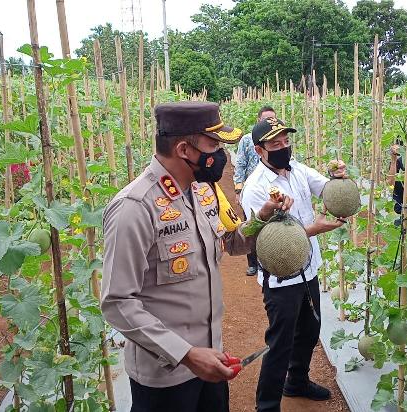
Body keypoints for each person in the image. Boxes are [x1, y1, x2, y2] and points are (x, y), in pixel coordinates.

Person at [101, 102, 293, 412]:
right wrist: (186, 354)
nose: (222, 155)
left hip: (211, 360)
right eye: (214, 144)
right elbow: (117, 302)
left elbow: (231, 243)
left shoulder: (203, 192)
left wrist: (262, 218)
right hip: (166, 375)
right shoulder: (134, 208)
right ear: (183, 149)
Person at [240, 117, 347, 412]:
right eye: (275, 144)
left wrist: (338, 180)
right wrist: (314, 229)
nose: (283, 148)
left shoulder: (297, 170)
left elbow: (324, 188)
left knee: (310, 331)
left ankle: (297, 381)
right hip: (281, 279)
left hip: (309, 268)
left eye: (286, 141)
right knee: (280, 343)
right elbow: (267, 241)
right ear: (260, 150)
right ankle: (267, 405)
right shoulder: (255, 187)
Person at [234, 106, 277, 276]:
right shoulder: (246, 140)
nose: (268, 123)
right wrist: (238, 190)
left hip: (272, 190)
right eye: (265, 120)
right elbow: (240, 164)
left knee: (272, 226)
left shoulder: (278, 140)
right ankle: (252, 263)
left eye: (271, 120)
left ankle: (268, 261)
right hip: (252, 191)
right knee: (252, 226)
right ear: (258, 120)